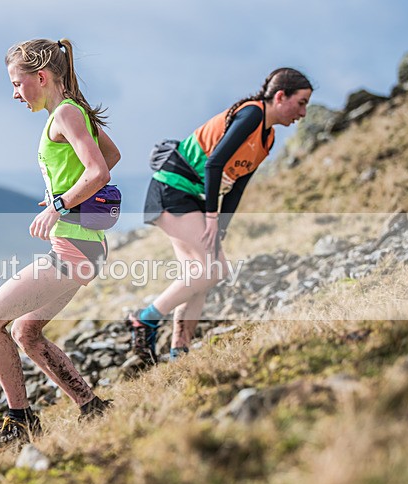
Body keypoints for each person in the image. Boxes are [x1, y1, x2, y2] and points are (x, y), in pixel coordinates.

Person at [0, 38, 120, 454]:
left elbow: (99, 171)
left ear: (40, 77)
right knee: (26, 331)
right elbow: (111, 155)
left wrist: (60, 204)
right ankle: (91, 406)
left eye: (17, 84)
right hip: (87, 246)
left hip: (74, 247)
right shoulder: (70, 111)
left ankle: (20, 422)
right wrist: (68, 190)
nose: (15, 94)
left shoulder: (66, 113)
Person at [128, 68, 313, 361]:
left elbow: (237, 188)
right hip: (172, 188)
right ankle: (146, 318)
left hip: (193, 197)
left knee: (200, 276)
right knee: (214, 270)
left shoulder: (267, 139)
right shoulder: (252, 114)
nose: (303, 113)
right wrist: (212, 218)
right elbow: (214, 164)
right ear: (280, 96)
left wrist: (221, 227)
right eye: (301, 103)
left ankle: (179, 352)